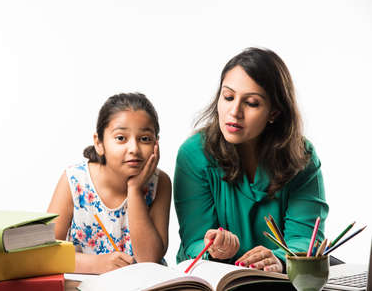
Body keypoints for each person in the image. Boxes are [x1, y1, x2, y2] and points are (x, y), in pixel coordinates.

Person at [174, 47, 329, 273]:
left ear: (274, 112)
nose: (234, 111)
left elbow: (307, 239)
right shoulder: (194, 153)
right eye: (228, 97)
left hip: (279, 280)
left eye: (252, 103)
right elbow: (194, 241)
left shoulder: (301, 156)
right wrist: (215, 249)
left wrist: (279, 260)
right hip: (214, 278)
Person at [48, 92, 171, 274]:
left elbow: (149, 259)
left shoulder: (160, 183)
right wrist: (96, 264)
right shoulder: (74, 180)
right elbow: (46, 253)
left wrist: (135, 189)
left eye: (144, 139)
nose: (134, 149)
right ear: (99, 143)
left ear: (156, 144)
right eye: (121, 138)